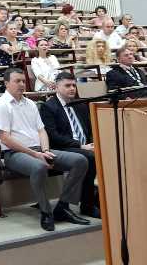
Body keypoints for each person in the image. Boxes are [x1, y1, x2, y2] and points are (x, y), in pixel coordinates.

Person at [0, 68, 90, 231]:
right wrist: (35, 154)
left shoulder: (30, 103)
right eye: (17, 81)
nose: (22, 84)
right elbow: (5, 138)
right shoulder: (1, 105)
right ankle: (46, 212)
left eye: (23, 81)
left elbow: (41, 130)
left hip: (39, 149)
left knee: (80, 160)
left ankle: (63, 206)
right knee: (39, 166)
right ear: (6, 83)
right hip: (14, 154)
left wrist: (45, 150)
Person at [40, 73, 100, 218]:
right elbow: (53, 136)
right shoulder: (48, 107)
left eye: (74, 85)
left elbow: (90, 129)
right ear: (56, 87)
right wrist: (81, 146)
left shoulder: (80, 104)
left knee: (110, 152)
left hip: (84, 146)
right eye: (67, 85)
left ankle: (99, 197)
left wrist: (93, 143)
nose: (72, 88)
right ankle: (87, 205)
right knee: (91, 157)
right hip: (61, 147)